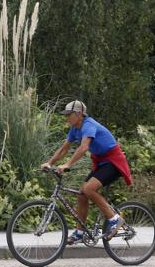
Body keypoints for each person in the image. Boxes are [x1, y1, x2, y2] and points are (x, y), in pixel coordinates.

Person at [40, 100, 132, 244]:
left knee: (89, 189)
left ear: (79, 114)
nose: (66, 118)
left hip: (113, 162)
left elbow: (83, 147)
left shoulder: (88, 125)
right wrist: (50, 163)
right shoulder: (74, 128)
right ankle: (79, 233)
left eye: (68, 115)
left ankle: (115, 219)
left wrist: (67, 165)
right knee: (82, 194)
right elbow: (64, 149)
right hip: (101, 163)